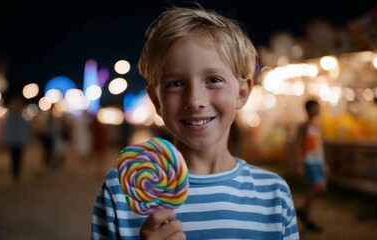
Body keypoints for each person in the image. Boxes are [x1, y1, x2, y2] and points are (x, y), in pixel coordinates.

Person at [91, 6, 299, 239]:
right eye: (175, 84)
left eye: (213, 80)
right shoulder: (122, 192)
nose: (195, 100)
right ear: (156, 100)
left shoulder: (273, 195)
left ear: (241, 93)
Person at [294, 99, 327, 232]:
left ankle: (306, 219)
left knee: (312, 189)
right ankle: (302, 210)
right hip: (309, 162)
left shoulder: (317, 126)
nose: (317, 110)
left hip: (317, 162)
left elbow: (319, 147)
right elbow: (297, 145)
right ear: (308, 109)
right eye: (315, 108)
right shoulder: (304, 126)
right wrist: (299, 163)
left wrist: (323, 163)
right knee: (320, 186)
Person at [0, 95, 31, 181]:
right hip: (13, 141)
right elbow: (8, 129)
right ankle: (15, 172)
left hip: (20, 141)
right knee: (14, 157)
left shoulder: (22, 116)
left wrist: (26, 139)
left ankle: (17, 172)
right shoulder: (11, 116)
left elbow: (25, 129)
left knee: (19, 157)